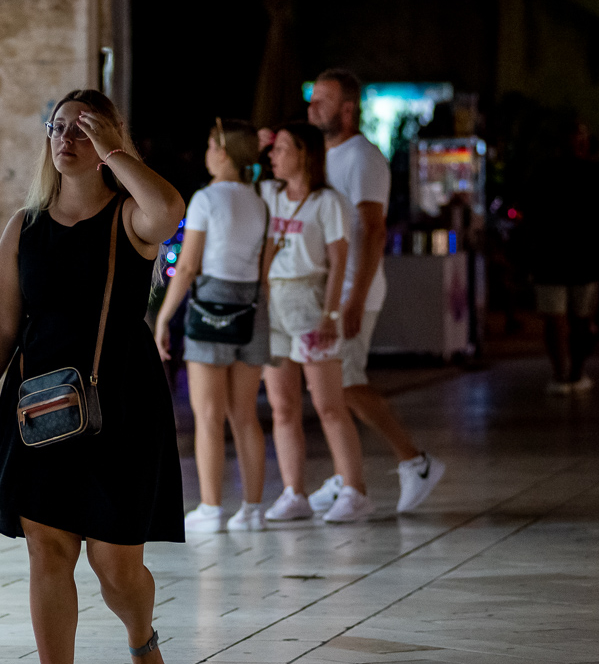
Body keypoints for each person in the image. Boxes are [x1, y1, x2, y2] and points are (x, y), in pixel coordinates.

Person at [0, 89, 188, 664]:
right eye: (60, 128)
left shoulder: (130, 219)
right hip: (39, 407)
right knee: (49, 551)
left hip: (120, 405)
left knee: (116, 566)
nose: (67, 139)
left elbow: (170, 209)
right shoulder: (24, 227)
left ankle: (140, 633)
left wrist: (114, 152)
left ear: (109, 140)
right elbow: (2, 325)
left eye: (83, 130)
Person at [307, 69, 446, 514]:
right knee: (330, 388)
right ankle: (344, 473)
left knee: (347, 385)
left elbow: (374, 229)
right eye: (313, 98)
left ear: (348, 110)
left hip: (354, 290)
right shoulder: (322, 156)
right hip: (330, 290)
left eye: (324, 100)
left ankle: (414, 460)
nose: (313, 107)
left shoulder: (362, 158)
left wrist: (354, 297)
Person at [155, 119, 271, 533]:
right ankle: (253, 510)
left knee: (208, 416)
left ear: (222, 152)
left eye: (209, 146)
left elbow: (187, 266)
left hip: (211, 307)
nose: (205, 153)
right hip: (252, 307)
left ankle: (211, 507)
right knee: (245, 416)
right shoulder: (259, 201)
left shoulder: (205, 198)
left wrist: (164, 317)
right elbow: (264, 265)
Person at [258, 123, 372, 524]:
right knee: (282, 405)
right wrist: (258, 145)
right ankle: (294, 491)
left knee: (328, 404)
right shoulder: (268, 193)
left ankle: (354, 489)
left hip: (310, 299)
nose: (274, 156)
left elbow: (339, 261)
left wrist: (331, 312)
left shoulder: (329, 201)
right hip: (273, 301)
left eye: (283, 149)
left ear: (304, 154)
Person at [525, 120, 599, 394]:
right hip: (575, 255)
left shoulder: (546, 172)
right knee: (573, 318)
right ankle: (572, 372)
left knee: (562, 318)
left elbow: (530, 210)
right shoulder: (593, 173)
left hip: (559, 255)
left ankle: (565, 372)